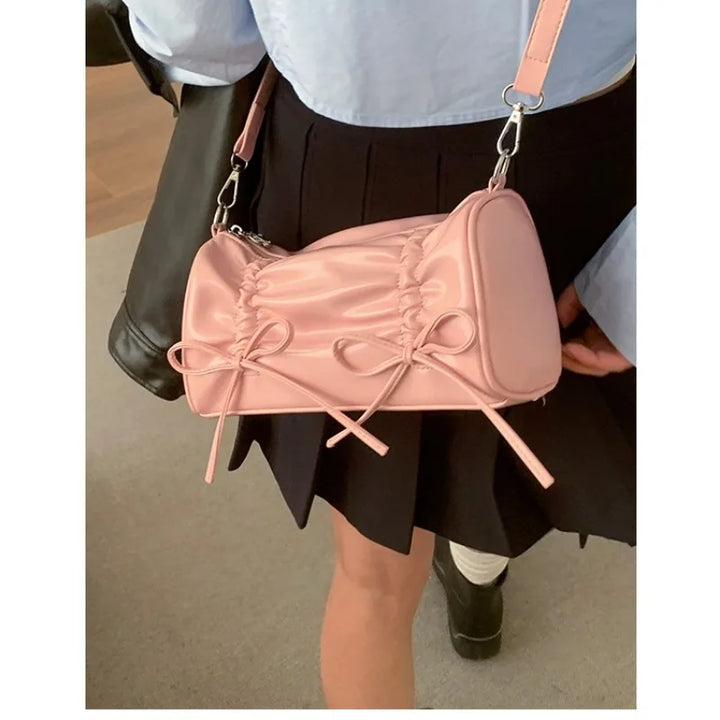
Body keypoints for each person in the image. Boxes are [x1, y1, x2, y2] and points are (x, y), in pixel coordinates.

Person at [122, 0, 636, 709]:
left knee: (373, 575)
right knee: (528, 419)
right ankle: (479, 559)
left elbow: (199, 38)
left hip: (341, 164)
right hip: (570, 148)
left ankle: (469, 556)